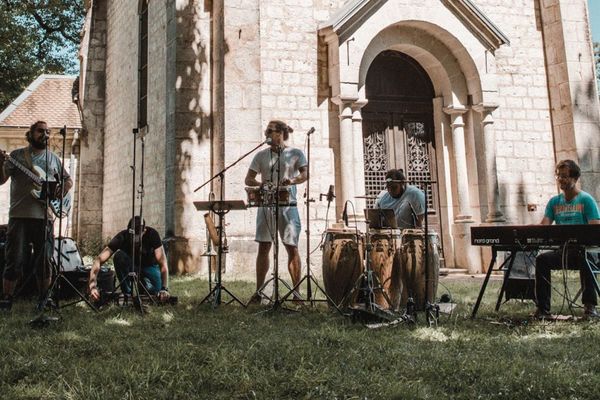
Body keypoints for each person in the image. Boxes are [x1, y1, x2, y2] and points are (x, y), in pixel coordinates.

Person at [0, 121, 72, 310]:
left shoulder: (54, 159)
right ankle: (7, 298)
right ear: (30, 133)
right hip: (19, 215)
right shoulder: (16, 156)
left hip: (45, 216)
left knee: (44, 260)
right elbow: (1, 180)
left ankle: (44, 299)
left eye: (48, 132)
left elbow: (68, 181)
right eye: (41, 131)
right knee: (14, 258)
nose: (45, 134)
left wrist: (60, 192)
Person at [244, 120, 308, 302]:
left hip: (288, 206)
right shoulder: (261, 155)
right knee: (264, 247)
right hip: (266, 205)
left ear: (280, 133)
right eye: (266, 131)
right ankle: (259, 292)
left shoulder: (295, 153)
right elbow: (248, 179)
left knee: (291, 247)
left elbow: (305, 174)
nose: (267, 134)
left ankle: (296, 293)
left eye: (270, 131)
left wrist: (293, 181)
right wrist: (260, 184)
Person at [535, 160, 599, 319]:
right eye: (558, 176)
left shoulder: (586, 200)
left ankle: (590, 307)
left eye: (565, 176)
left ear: (575, 178)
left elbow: (595, 230)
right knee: (542, 260)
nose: (560, 180)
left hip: (588, 252)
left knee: (586, 257)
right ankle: (543, 310)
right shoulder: (554, 202)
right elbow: (544, 226)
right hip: (564, 252)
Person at [88, 216, 170, 303]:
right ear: (128, 231)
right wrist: (92, 285)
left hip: (149, 267)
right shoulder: (122, 237)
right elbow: (98, 260)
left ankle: (143, 285)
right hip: (131, 266)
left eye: (138, 236)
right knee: (119, 256)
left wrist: (164, 288)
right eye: (132, 236)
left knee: (153, 294)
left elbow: (163, 264)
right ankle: (127, 292)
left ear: (144, 231)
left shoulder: (152, 234)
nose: (135, 239)